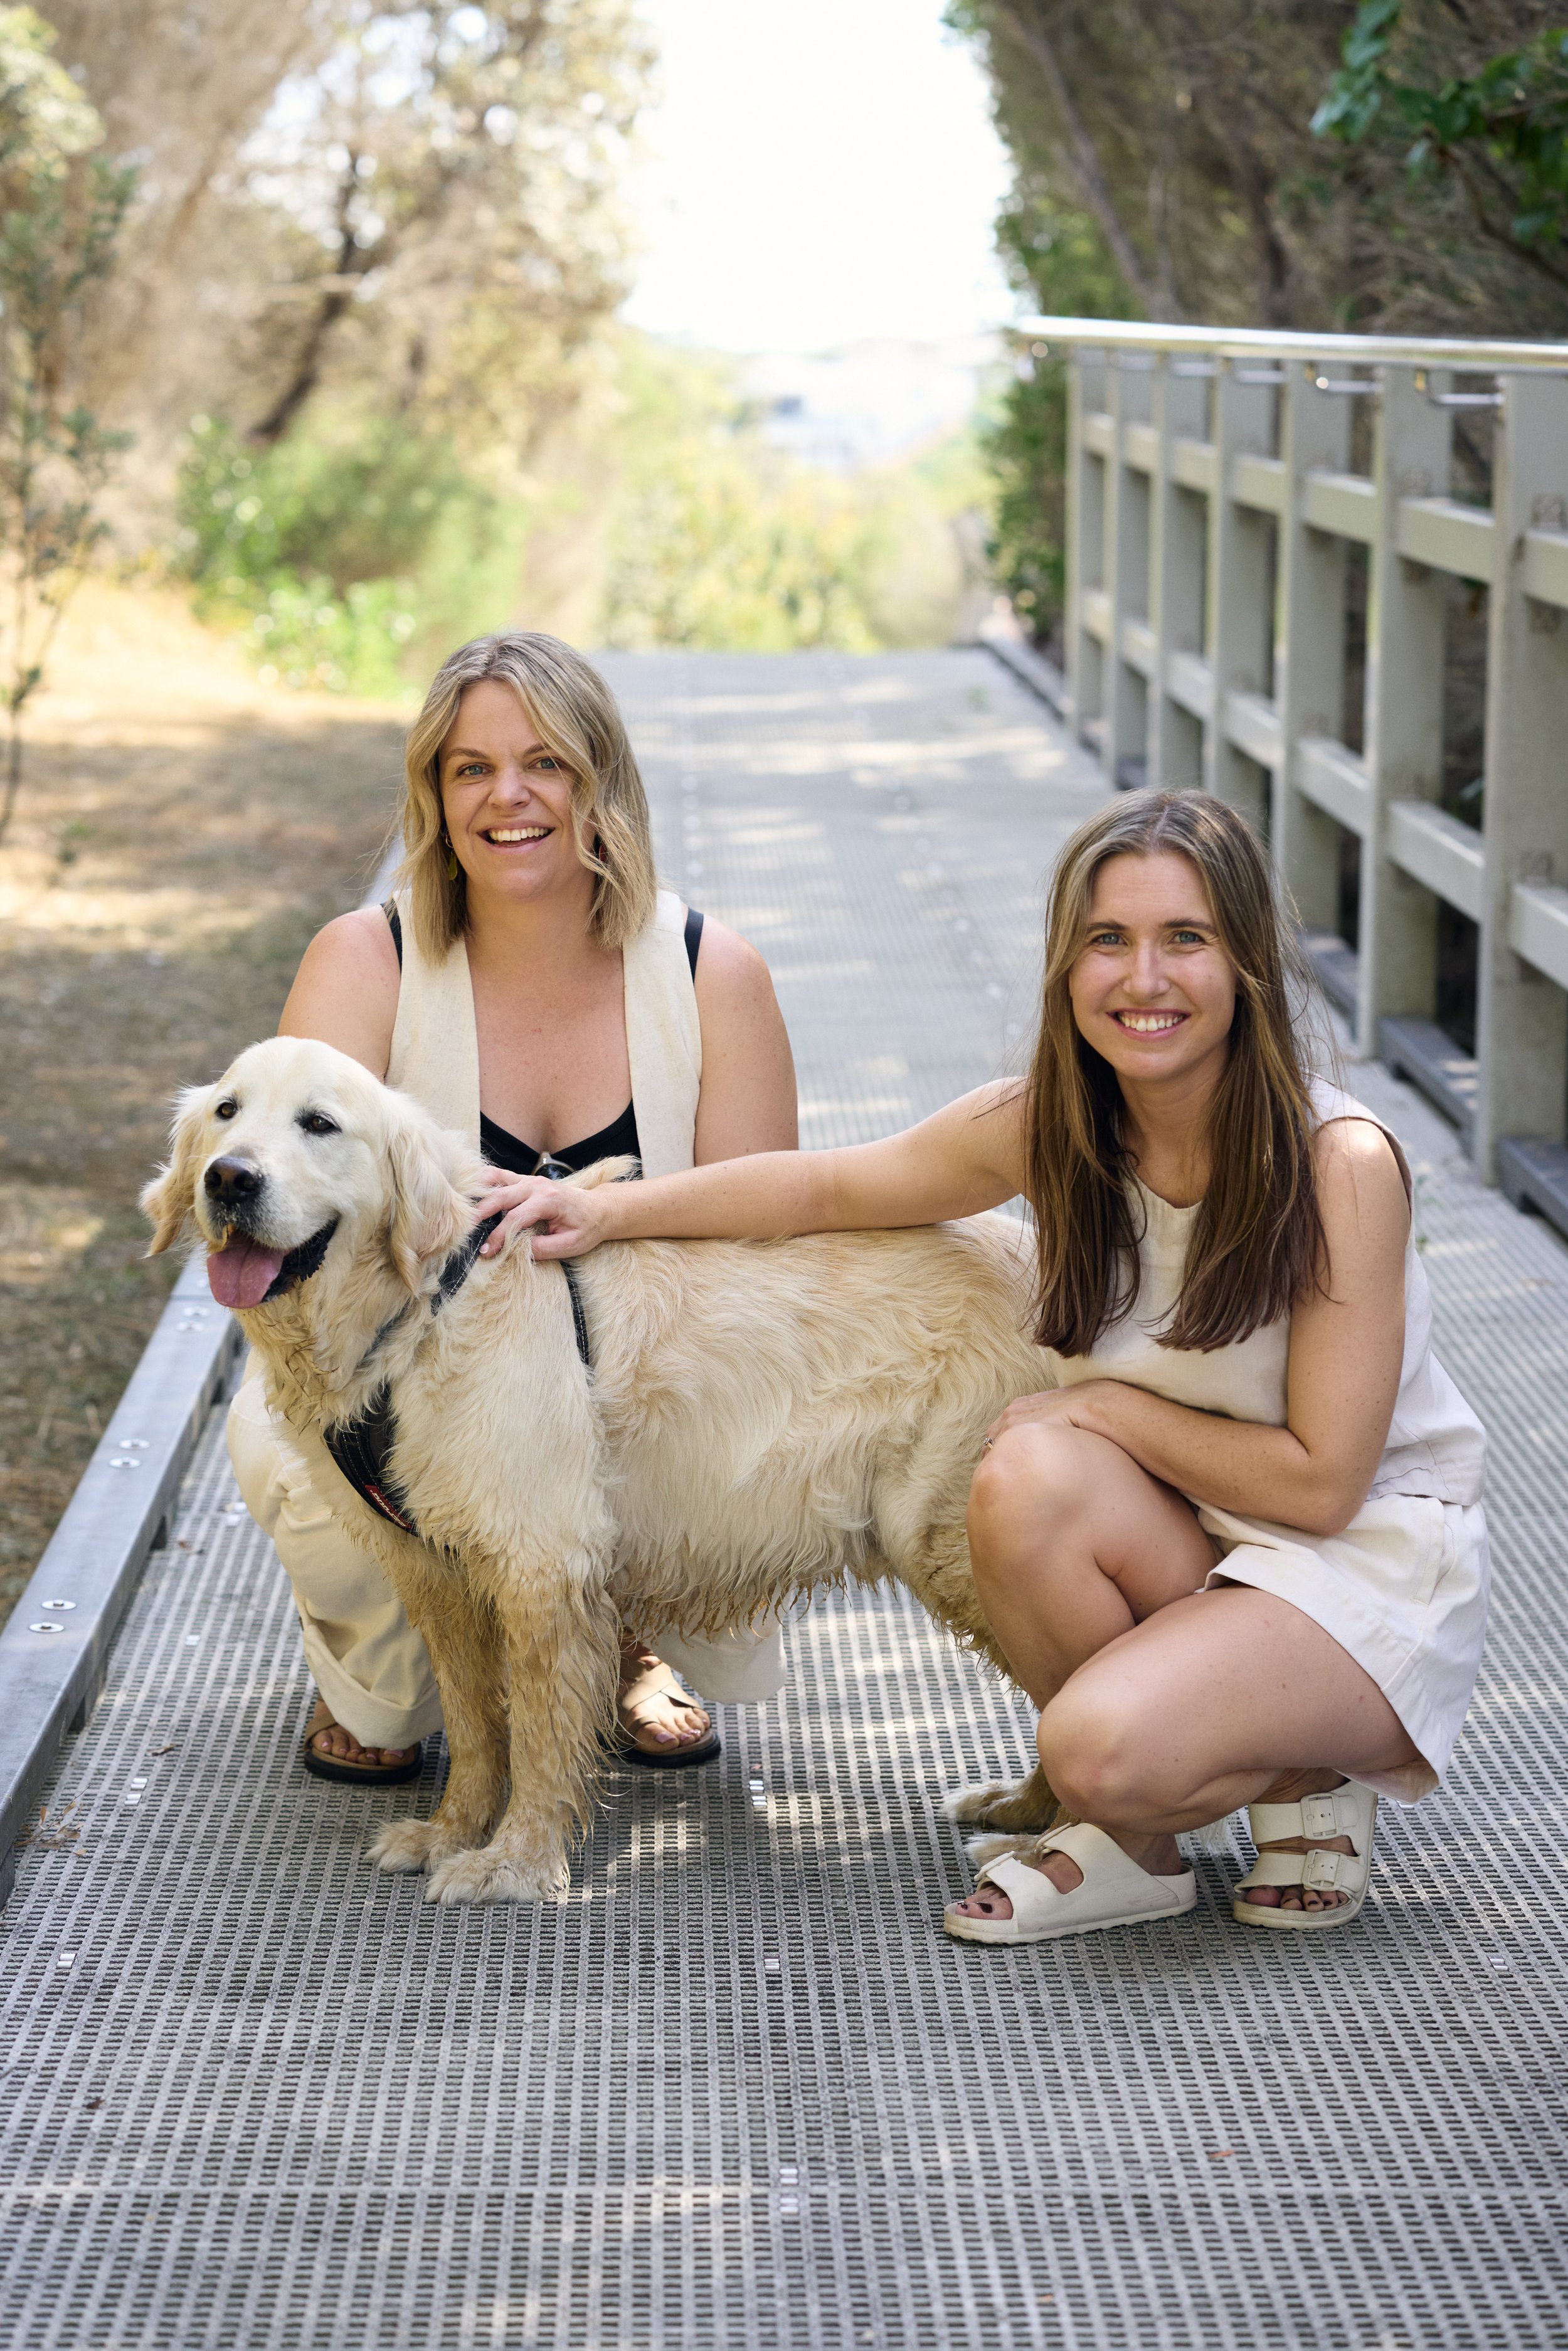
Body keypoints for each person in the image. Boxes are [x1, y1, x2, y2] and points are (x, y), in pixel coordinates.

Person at [483, 790, 1488, 1940]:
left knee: (1093, 1738)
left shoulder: (1338, 1163)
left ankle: (1309, 1776)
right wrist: (606, 1212)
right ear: (1066, 970)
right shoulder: (1051, 1125)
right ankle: (1138, 1848)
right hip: (1188, 1530)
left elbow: (1323, 1485)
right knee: (1021, 1482)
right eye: (1107, 941)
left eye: (1186, 940)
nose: (1142, 979)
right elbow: (824, 1189)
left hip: (1351, 1562)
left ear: (1249, 964)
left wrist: (1102, 1409)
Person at [227, 630, 798, 1783]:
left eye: (546, 762)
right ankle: (396, 1661)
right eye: (471, 767)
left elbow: (760, 1246)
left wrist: (607, 1219)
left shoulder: (709, 971)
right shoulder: (364, 959)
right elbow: (287, 1213)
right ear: (434, 795)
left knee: (684, 1403)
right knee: (388, 1711)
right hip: (403, 1394)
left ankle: (626, 1636)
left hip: (638, 1387)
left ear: (603, 782)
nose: (510, 796)